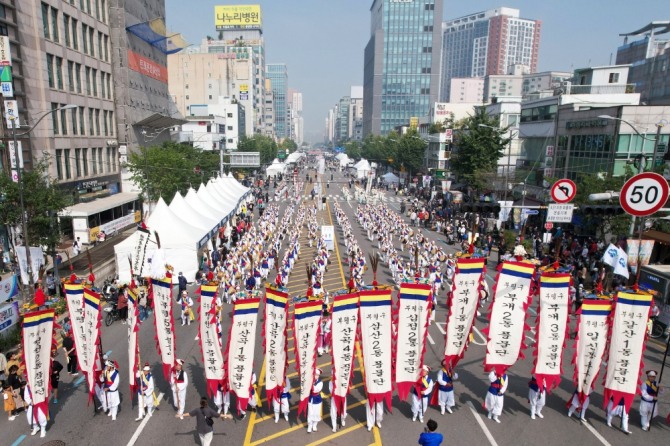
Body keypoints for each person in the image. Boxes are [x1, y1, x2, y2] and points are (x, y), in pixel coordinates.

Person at [307, 368, 324, 433]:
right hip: (310, 398)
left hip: (317, 399)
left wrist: (310, 384)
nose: (316, 376)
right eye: (315, 374)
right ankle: (309, 426)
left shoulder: (320, 383)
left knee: (316, 413)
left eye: (317, 375)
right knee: (310, 413)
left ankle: (314, 425)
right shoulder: (310, 381)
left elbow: (315, 389)